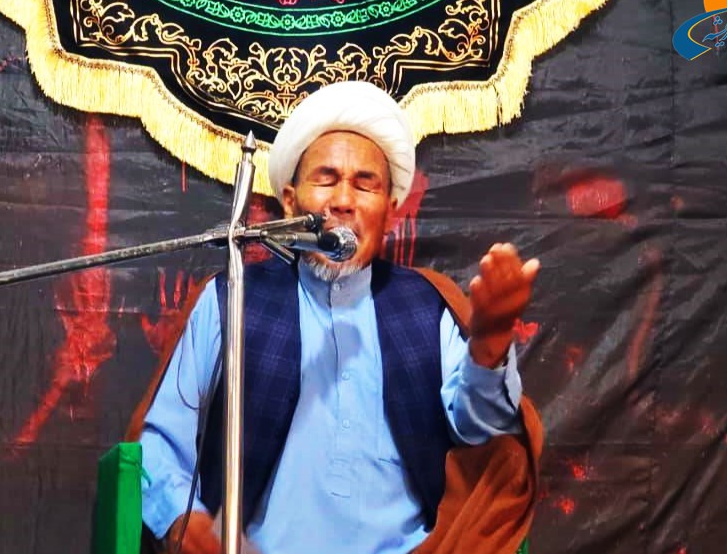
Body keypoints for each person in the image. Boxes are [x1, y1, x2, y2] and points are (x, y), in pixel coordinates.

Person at [135, 81, 540, 554]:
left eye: (365, 184)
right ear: (290, 202)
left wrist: (489, 346)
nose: (343, 201)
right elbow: (160, 441)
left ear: (391, 212)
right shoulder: (231, 296)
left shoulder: (429, 304)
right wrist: (181, 521)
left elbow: (481, 432)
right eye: (326, 179)